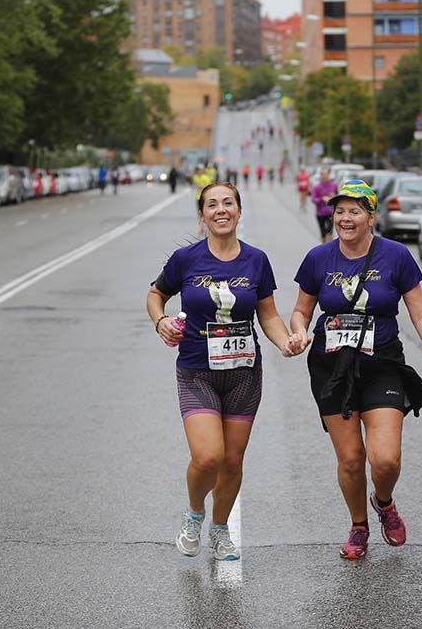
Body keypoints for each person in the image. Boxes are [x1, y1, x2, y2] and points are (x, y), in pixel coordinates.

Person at [288, 180, 422, 560]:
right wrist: (299, 332)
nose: (345, 218)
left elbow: (420, 312)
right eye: (340, 211)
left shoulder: (395, 256)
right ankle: (359, 525)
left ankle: (384, 501)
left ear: (371, 217)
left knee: (385, 459)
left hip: (382, 364)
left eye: (355, 211)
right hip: (331, 367)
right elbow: (301, 310)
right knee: (350, 459)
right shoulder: (318, 258)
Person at [147, 182, 301, 561]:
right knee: (208, 456)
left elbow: (268, 314)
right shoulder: (185, 259)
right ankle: (194, 513)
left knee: (232, 461)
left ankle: (219, 530)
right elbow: (155, 295)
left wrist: (286, 341)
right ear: (202, 216)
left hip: (243, 373)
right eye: (212, 204)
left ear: (239, 211)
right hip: (197, 370)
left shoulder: (256, 260)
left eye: (228, 203)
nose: (221, 210)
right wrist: (160, 320)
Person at [311, 169, 338, 244]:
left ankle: (330, 247)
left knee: (330, 231)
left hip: (330, 212)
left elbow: (338, 197)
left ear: (329, 175)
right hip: (320, 213)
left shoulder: (334, 185)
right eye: (323, 174)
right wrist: (321, 199)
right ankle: (324, 247)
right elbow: (313, 199)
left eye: (326, 174)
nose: (325, 176)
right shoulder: (317, 187)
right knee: (323, 232)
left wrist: (332, 197)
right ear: (321, 176)